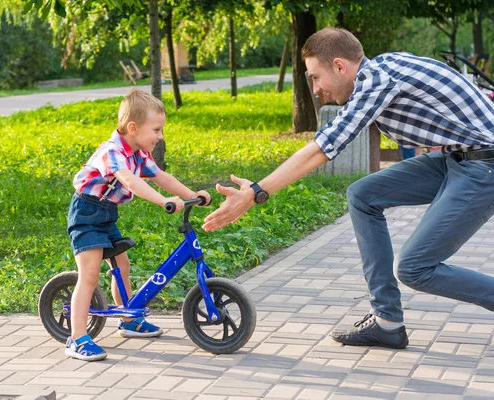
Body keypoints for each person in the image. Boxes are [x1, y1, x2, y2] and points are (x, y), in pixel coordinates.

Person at [202, 27, 494, 349]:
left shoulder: (377, 81)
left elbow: (322, 148)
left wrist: (255, 193)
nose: (315, 89)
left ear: (340, 66)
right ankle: (387, 320)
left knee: (414, 267)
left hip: (484, 166)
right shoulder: (382, 69)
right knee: (362, 195)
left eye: (316, 77)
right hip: (458, 159)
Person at [67, 88, 211, 361]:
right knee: (89, 275)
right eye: (156, 130)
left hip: (107, 213)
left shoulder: (139, 153)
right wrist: (162, 201)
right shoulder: (112, 152)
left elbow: (161, 177)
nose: (160, 136)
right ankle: (77, 338)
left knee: (122, 266)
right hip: (86, 213)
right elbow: (131, 182)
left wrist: (193, 196)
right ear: (133, 128)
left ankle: (128, 319)